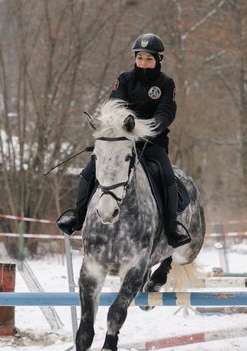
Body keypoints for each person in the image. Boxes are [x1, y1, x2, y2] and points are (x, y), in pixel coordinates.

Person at [56, 33, 190, 247]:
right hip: (120, 140)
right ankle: (78, 217)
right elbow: (116, 104)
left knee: (166, 174)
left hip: (151, 141)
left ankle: (171, 227)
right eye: (140, 58)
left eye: (149, 58)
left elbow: (166, 112)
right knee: (90, 170)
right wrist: (120, 127)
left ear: (158, 60)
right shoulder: (125, 79)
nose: (143, 62)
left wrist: (146, 128)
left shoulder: (166, 83)